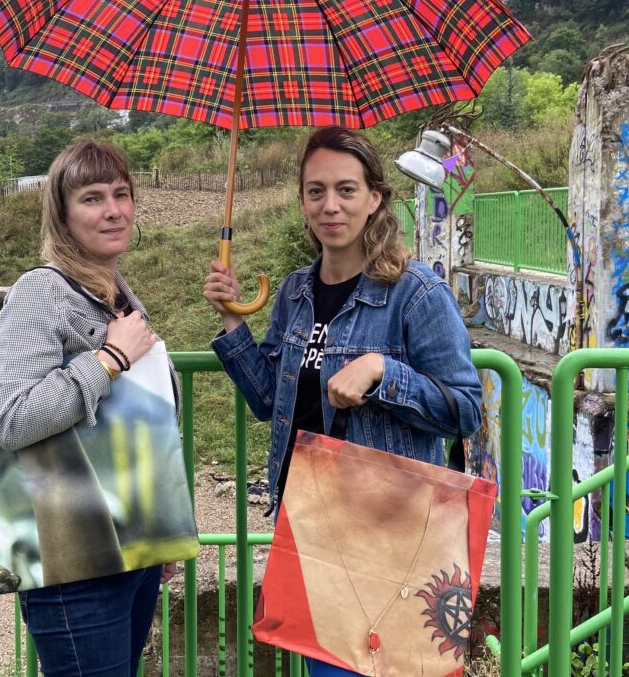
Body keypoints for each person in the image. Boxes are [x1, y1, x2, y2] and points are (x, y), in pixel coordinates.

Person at [203, 126, 482, 677]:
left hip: (389, 528)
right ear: (303, 202)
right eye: (316, 191)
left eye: (346, 190)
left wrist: (384, 371)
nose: (330, 205)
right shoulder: (293, 293)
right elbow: (268, 401)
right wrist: (233, 318)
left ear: (374, 198)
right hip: (311, 519)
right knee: (326, 666)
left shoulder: (416, 292)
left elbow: (466, 408)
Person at [0, 140, 179, 677]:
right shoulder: (40, 292)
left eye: (122, 194)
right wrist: (110, 357)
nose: (113, 209)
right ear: (64, 216)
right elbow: (12, 419)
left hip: (128, 548)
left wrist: (156, 531)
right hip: (74, 561)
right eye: (93, 198)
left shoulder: (115, 291)